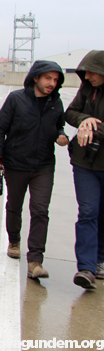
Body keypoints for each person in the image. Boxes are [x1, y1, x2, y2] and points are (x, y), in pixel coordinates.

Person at [0, 60, 68, 279]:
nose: (52, 83)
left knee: (40, 210)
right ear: (36, 78)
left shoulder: (56, 102)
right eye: (48, 78)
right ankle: (14, 240)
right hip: (16, 163)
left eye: (55, 80)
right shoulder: (16, 99)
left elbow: (58, 125)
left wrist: (61, 135)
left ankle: (35, 261)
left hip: (44, 165)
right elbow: (0, 128)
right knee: (14, 206)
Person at [65, 50, 104, 289]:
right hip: (84, 164)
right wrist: (82, 120)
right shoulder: (87, 91)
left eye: (92, 72)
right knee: (88, 211)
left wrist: (94, 125)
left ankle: (100, 259)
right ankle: (87, 268)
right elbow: (69, 113)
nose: (87, 76)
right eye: (85, 72)